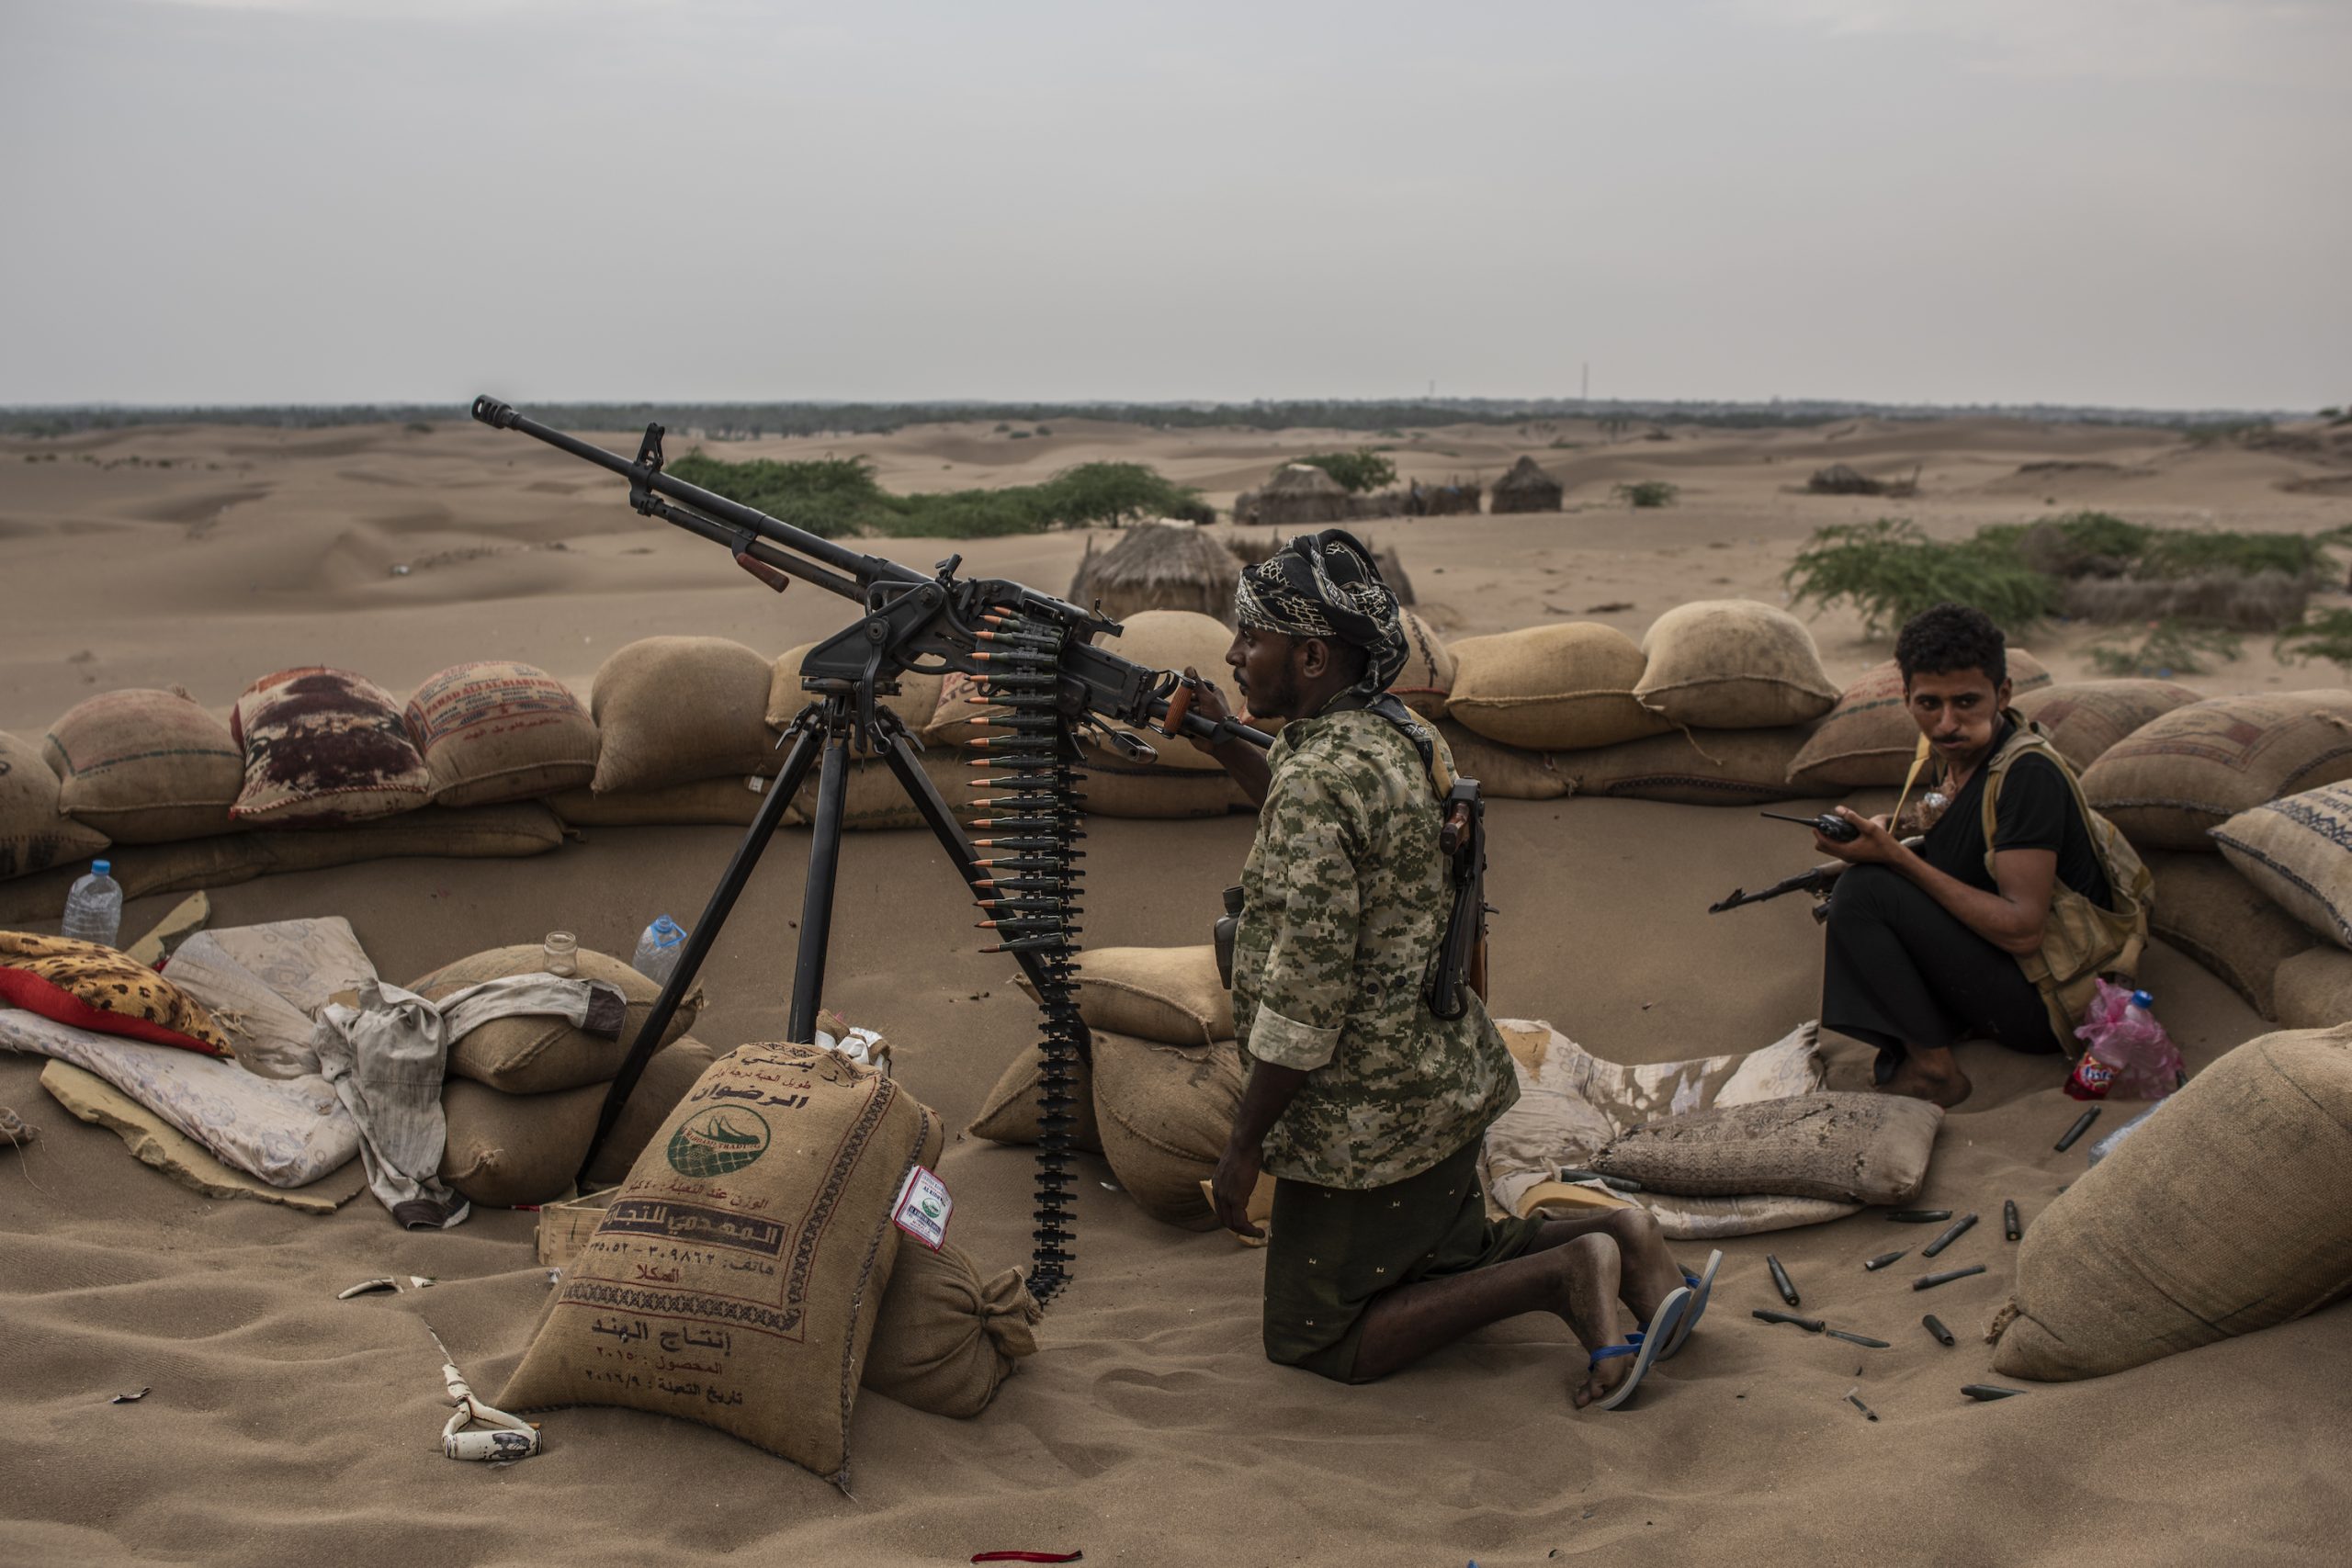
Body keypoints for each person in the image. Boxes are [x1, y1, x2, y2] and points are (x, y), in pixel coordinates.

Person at [1182, 529, 1709, 1409]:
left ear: (1311, 656)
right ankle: (1627, 1234)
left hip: (1367, 1122)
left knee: (1317, 1335)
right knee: (1451, 1257)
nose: (1234, 654)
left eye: (1252, 637)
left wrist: (1245, 1149)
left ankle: (1568, 1271)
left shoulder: (1319, 780)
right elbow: (1303, 787)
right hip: (1446, 1084)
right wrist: (1213, 732)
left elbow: (1304, 1008)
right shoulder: (1405, 736)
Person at [1812, 602, 2151, 1108]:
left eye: (1967, 702)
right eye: (1929, 704)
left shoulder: (2026, 775)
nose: (1947, 723)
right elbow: (1946, 827)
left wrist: (1895, 859)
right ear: (1906, 698)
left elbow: (2023, 928)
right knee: (1857, 883)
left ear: (2003, 693)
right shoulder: (1948, 756)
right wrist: (1885, 833)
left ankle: (1934, 1072)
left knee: (1866, 893)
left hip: (2050, 1000)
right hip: (1998, 968)